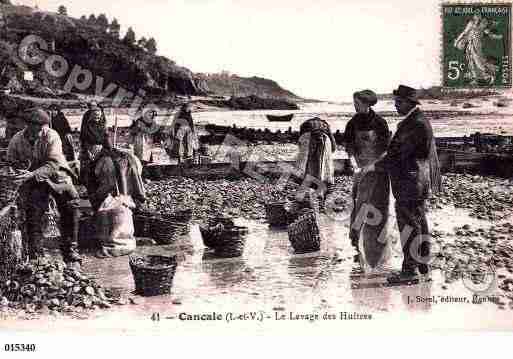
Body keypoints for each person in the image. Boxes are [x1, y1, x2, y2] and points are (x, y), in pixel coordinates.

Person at [362, 85, 442, 281]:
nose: (396, 106)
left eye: (399, 102)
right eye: (396, 102)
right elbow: (401, 151)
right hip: (417, 180)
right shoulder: (418, 120)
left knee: (409, 225)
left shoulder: (414, 123)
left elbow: (397, 155)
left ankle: (409, 271)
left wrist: (373, 166)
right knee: (419, 222)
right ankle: (422, 264)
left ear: (410, 103)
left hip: (409, 181)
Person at [7, 108, 82, 266]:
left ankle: (71, 249)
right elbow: (11, 161)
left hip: (56, 174)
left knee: (71, 203)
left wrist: (33, 174)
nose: (42, 129)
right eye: (38, 126)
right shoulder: (17, 140)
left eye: (44, 126)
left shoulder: (51, 136)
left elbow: (53, 163)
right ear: (29, 125)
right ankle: (36, 253)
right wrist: (19, 171)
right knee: (33, 212)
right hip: (32, 179)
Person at [344, 90, 390, 267]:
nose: (355, 106)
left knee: (378, 209)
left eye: (357, 103)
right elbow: (349, 147)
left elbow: (386, 150)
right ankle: (358, 247)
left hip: (378, 171)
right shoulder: (352, 123)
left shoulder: (380, 123)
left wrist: (373, 166)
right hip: (359, 170)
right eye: (353, 102)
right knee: (359, 207)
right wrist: (354, 165)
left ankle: (377, 252)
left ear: (367, 104)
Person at [296, 117, 337, 208]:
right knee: (324, 172)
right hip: (325, 141)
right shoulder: (325, 126)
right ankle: (321, 202)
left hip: (310, 139)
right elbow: (334, 148)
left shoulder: (305, 127)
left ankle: (308, 201)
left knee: (308, 171)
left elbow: (301, 153)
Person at [454, 14, 503, 85]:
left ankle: (491, 74)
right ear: (474, 17)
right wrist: (457, 41)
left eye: (479, 16)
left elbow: (488, 33)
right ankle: (476, 78)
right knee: (471, 62)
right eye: (476, 16)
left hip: (477, 45)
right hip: (470, 45)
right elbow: (464, 33)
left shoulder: (483, 24)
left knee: (479, 62)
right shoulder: (471, 23)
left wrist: (497, 37)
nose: (477, 18)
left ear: (481, 17)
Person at [79, 101, 110, 187]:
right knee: (87, 165)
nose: (97, 117)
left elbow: (105, 136)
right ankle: (85, 183)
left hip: (100, 147)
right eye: (91, 106)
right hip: (89, 146)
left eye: (99, 116)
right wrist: (86, 149)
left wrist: (109, 148)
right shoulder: (87, 118)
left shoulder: (102, 121)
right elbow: (84, 136)